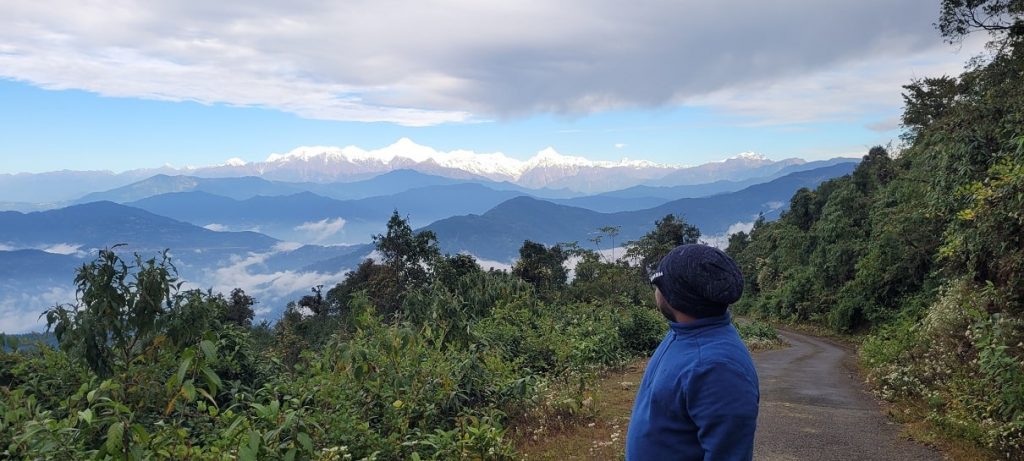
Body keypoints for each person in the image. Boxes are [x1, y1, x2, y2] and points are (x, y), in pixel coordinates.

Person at [625, 244, 759, 460]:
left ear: (676, 298)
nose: (656, 292)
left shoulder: (716, 367)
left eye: (659, 286)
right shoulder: (685, 334)